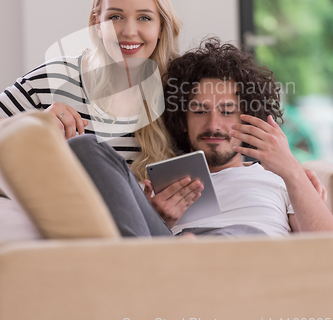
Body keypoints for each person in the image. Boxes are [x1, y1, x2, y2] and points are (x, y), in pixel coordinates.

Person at [67, 38, 331, 238]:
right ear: (183, 121)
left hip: (253, 260)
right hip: (175, 264)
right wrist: (157, 220)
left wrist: (293, 172)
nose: (213, 125)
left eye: (227, 111)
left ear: (247, 118)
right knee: (84, 147)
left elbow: (324, 250)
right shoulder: (158, 187)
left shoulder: (282, 181)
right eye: (200, 111)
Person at [0, 0, 181, 171]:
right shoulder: (54, 79)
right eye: (115, 17)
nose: (129, 31)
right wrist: (32, 128)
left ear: (161, 28)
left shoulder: (179, 92)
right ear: (98, 25)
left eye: (144, 18)